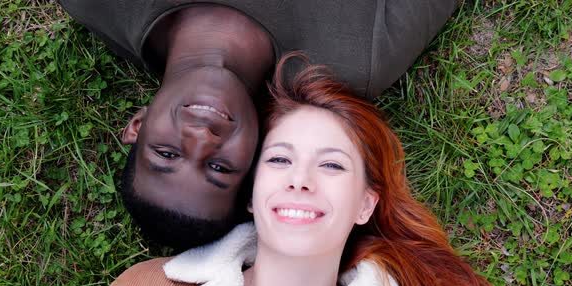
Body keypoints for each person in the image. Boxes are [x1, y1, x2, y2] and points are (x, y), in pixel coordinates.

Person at [70, 53, 511, 286]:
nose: (301, 180)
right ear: (249, 192)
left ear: (365, 204)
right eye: (280, 160)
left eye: (333, 165)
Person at [57, 0, 459, 249]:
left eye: (166, 153)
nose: (200, 139)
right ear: (258, 155)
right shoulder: (358, 59)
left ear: (137, 125)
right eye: (219, 168)